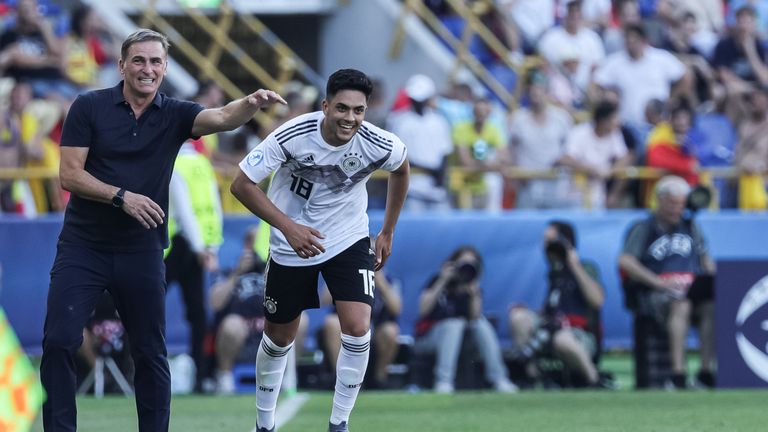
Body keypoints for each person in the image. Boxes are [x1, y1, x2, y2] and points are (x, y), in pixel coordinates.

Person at [40, 28, 287, 432]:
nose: (147, 69)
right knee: (59, 341)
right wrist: (123, 196)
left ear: (165, 68)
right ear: (121, 66)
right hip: (84, 247)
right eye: (138, 60)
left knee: (151, 351)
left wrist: (250, 102)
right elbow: (69, 175)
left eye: (156, 62)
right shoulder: (89, 106)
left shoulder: (175, 113)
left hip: (142, 250)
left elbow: (223, 117)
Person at [230, 68, 409, 432]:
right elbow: (241, 185)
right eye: (342, 109)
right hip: (292, 242)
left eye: (358, 110)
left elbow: (402, 169)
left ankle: (339, 423)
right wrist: (288, 227)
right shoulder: (292, 134)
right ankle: (264, 424)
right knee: (279, 337)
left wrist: (387, 230)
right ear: (326, 106)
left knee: (358, 327)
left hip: (349, 236)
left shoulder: (378, 141)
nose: (350, 118)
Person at [619, 175, 716, 389]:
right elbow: (626, 261)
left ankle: (705, 372)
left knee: (709, 306)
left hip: (690, 289)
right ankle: (678, 374)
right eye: (672, 204)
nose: (677, 209)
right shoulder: (645, 227)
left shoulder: (691, 226)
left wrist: (714, 279)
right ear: (660, 201)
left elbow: (705, 259)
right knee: (681, 303)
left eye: (681, 204)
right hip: (656, 294)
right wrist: (658, 282)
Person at [508, 221, 607, 388]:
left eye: (550, 241)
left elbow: (597, 301)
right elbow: (551, 311)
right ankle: (531, 376)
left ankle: (594, 379)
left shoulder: (585, 267)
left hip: (579, 334)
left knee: (562, 339)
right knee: (519, 317)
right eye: (544, 241)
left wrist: (574, 265)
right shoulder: (554, 272)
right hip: (552, 327)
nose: (545, 246)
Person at [209, 226, 307, 396]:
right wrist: (237, 272)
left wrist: (270, 268)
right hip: (240, 333)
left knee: (301, 319)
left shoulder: (275, 269)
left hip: (271, 328)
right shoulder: (231, 272)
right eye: (249, 242)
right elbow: (215, 303)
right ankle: (224, 377)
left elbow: (296, 298)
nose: (253, 248)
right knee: (231, 325)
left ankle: (289, 376)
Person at [413, 246, 517, 394]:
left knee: (481, 322)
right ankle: (444, 381)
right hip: (431, 337)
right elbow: (423, 310)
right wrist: (443, 280)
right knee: (454, 324)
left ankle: (499, 379)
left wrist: (474, 294)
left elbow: (474, 317)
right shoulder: (438, 281)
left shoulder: (471, 287)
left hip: (465, 341)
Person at [164, 138, 223, 393]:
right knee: (198, 314)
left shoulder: (172, 163)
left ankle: (134, 371)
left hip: (176, 246)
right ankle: (200, 377)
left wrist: (200, 247)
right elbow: (215, 206)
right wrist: (211, 247)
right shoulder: (202, 163)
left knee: (144, 310)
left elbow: (184, 209)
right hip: (202, 247)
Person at [320, 267, 402, 389]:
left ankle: (380, 380)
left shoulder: (389, 279)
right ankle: (341, 378)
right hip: (346, 325)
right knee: (332, 322)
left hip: (376, 326)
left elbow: (397, 309)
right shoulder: (345, 271)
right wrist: (340, 273)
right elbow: (324, 300)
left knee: (391, 330)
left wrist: (380, 282)